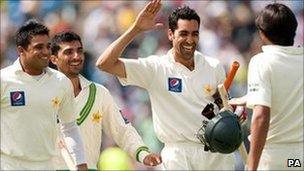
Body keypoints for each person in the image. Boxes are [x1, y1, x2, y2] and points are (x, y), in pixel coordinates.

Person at [96, 0, 235, 170]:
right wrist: (136, 29)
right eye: (183, 34)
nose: (190, 40)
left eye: (194, 34)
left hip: (216, 153)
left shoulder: (213, 66)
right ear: (170, 34)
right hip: (178, 155)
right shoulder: (156, 68)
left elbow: (224, 106)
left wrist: (233, 115)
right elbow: (104, 63)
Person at [50, 31, 162, 170]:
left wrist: (142, 153)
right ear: (54, 59)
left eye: (80, 51)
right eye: (68, 52)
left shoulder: (98, 93)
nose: (76, 57)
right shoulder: (43, 94)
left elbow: (122, 129)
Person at [0, 19, 87, 170]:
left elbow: (70, 127)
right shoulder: (3, 80)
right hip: (10, 165)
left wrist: (80, 163)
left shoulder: (61, 82)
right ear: (21, 50)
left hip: (47, 165)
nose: (46, 52)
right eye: (38, 47)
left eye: (48, 46)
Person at [245, 3, 303, 170]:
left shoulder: (261, 62)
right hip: (297, 160)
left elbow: (261, 116)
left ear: (262, 33)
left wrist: (251, 166)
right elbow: (288, 90)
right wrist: (246, 99)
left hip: (274, 160)